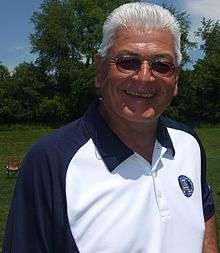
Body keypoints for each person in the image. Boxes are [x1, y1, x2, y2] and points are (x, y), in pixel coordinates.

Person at [3, 2, 218, 253]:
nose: (145, 77)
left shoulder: (188, 143)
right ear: (100, 69)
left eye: (161, 65)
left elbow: (204, 218)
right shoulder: (51, 160)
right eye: (128, 61)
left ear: (176, 79)